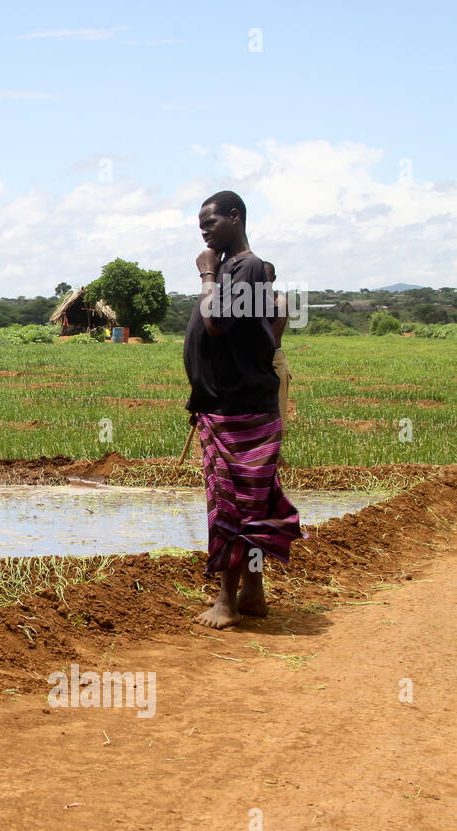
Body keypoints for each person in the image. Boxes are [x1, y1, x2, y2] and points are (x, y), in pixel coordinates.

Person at [183, 190, 302, 628]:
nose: (203, 228)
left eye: (211, 221)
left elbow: (215, 323)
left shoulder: (244, 267)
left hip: (238, 410)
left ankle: (225, 602)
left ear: (235, 217)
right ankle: (253, 593)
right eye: (200, 222)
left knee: (234, 506)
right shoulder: (241, 271)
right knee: (253, 502)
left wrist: (206, 274)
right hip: (227, 404)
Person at [262, 260, 292, 429]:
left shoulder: (280, 301)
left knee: (275, 424)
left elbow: (270, 336)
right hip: (253, 364)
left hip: (273, 362)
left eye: (264, 277)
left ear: (273, 278)